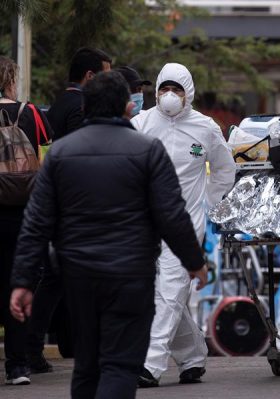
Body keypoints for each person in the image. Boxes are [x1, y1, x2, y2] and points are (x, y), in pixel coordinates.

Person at [9, 71, 208, 398]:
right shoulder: (148, 150)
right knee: (119, 366)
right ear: (128, 107)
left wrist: (22, 281)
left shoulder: (60, 153)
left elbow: (36, 223)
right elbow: (171, 214)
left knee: (87, 364)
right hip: (131, 275)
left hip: (79, 277)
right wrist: (194, 261)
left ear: (85, 105)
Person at [132, 62, 236, 387]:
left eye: (177, 90)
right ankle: (192, 355)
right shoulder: (140, 124)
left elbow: (224, 169)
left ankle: (149, 365)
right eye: (165, 89)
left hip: (186, 224)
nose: (170, 96)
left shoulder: (205, 128)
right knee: (158, 294)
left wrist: (209, 203)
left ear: (188, 93)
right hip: (145, 225)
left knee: (170, 291)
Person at [26, 47, 112, 373]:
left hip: (58, 202)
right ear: (90, 77)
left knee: (57, 279)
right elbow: (81, 157)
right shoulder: (79, 107)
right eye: (104, 75)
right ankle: (34, 348)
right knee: (57, 280)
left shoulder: (59, 104)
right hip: (73, 207)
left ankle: (50, 347)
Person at [0, 56, 53, 385]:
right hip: (23, 212)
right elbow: (48, 158)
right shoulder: (31, 112)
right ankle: (17, 366)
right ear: (11, 78)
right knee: (18, 281)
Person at [46, 47, 112, 140]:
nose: (110, 82)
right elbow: (80, 148)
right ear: (89, 76)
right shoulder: (82, 107)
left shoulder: (61, 100)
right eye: (106, 76)